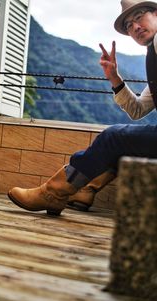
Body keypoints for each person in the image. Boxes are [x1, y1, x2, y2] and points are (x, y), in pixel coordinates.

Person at [8, 0, 157, 215]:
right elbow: (137, 110)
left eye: (140, 16)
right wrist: (114, 77)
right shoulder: (152, 58)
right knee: (118, 144)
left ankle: (53, 193)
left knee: (113, 137)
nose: (135, 27)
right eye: (129, 25)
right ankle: (83, 191)